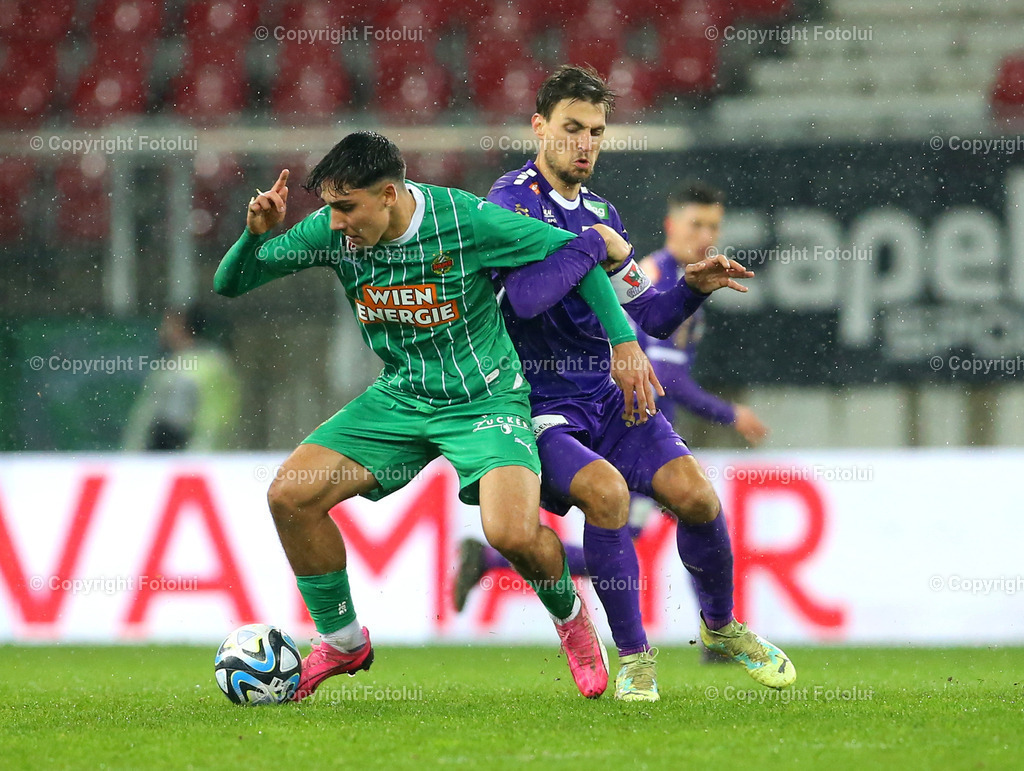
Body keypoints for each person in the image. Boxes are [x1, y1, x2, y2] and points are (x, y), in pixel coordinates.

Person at [213, 131, 663, 701]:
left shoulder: (465, 219)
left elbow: (578, 257)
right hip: (402, 397)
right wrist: (254, 236)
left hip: (486, 401)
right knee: (289, 497)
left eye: (347, 207)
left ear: (390, 194)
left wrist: (623, 340)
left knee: (512, 533)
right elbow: (230, 284)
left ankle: (571, 619)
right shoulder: (332, 232)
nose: (336, 221)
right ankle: (344, 640)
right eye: (329, 207)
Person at [454, 66, 796, 701]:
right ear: (540, 128)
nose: (585, 144)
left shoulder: (602, 211)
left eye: (597, 132)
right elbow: (526, 301)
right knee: (608, 497)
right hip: (536, 404)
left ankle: (719, 628)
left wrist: (691, 288)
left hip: (609, 399)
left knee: (697, 498)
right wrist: (592, 245)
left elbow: (645, 317)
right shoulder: (506, 205)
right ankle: (636, 660)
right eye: (572, 129)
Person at [638, 181, 769, 445]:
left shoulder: (678, 277)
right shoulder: (663, 283)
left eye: (713, 227)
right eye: (696, 225)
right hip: (630, 429)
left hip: (647, 426)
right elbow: (665, 377)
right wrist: (730, 413)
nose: (706, 237)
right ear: (671, 225)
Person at [122, 304, 240, 451]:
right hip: (215, 452)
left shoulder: (186, 369)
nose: (162, 331)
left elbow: (172, 423)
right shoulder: (214, 361)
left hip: (192, 456)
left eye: (167, 325)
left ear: (181, 326)